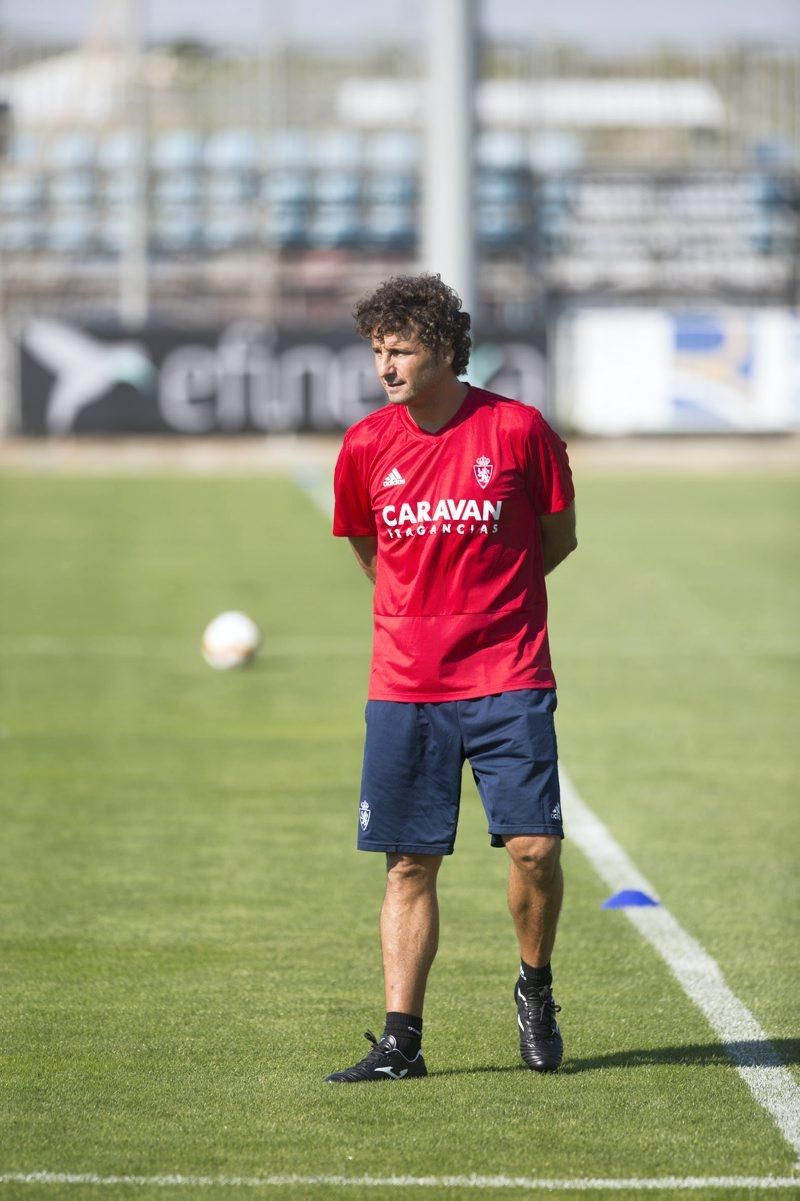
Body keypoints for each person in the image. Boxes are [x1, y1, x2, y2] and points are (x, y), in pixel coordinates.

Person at [327, 273, 577, 1084]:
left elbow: (557, 536)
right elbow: (372, 551)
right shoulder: (366, 445)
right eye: (377, 352)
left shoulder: (517, 430)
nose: (386, 367)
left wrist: (488, 610)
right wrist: (420, 617)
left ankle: (534, 987)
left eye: (400, 351)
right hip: (405, 685)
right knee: (408, 864)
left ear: (446, 351)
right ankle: (402, 1041)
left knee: (535, 848)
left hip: (509, 675)